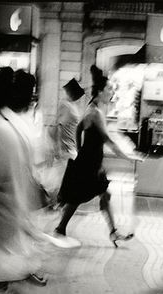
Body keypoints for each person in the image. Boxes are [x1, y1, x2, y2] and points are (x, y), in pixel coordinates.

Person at [0, 69, 61, 284]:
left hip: (11, 201)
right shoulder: (10, 126)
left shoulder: (1, 126)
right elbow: (33, 162)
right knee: (3, 250)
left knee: (0, 251)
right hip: (14, 202)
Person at [53, 65, 140, 247]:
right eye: (109, 89)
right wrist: (129, 157)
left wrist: (80, 149)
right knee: (78, 197)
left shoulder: (93, 109)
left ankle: (112, 232)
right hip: (89, 164)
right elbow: (108, 141)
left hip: (91, 162)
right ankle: (61, 228)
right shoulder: (95, 113)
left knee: (102, 195)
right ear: (100, 91)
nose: (112, 92)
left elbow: (79, 128)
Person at [44, 78, 84, 203]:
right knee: (59, 178)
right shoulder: (66, 105)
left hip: (69, 147)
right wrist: (57, 148)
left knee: (60, 177)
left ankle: (55, 201)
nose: (80, 96)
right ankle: (53, 200)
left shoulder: (69, 105)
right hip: (66, 148)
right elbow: (59, 127)